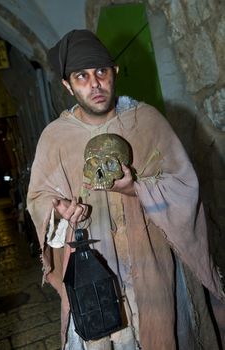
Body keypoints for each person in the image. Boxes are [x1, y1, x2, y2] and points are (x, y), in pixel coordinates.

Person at [27, 29, 225, 350]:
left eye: (101, 72)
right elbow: (40, 204)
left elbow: (184, 187)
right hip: (93, 272)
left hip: (153, 268)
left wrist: (136, 189)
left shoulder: (146, 122)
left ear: (114, 73)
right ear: (67, 85)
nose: (95, 84)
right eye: (82, 76)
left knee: (161, 335)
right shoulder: (55, 139)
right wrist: (60, 213)